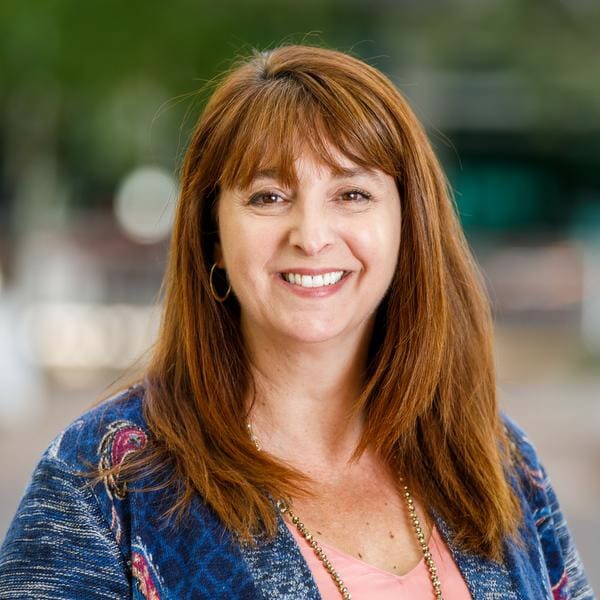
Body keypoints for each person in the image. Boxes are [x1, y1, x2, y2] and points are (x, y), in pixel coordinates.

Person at [0, 44, 594, 600]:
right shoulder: (99, 484)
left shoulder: (495, 456)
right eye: (268, 197)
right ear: (212, 235)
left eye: (352, 194)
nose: (311, 237)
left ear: (409, 226)